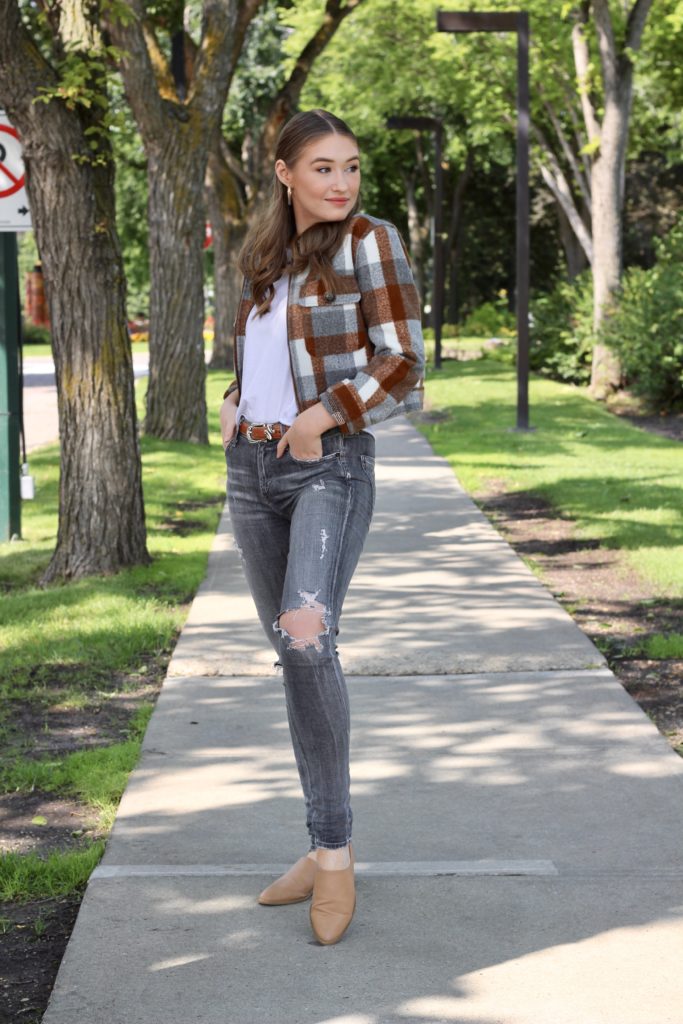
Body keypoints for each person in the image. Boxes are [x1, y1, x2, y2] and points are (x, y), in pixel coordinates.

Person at [219, 108, 425, 945]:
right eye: (323, 168)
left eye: (350, 167)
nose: (340, 182)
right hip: (251, 470)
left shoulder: (370, 241)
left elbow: (403, 356)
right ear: (284, 173)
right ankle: (317, 845)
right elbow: (254, 348)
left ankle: (333, 855)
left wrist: (322, 416)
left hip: (327, 466)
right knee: (291, 654)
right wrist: (235, 399)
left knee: (308, 637)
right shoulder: (261, 254)